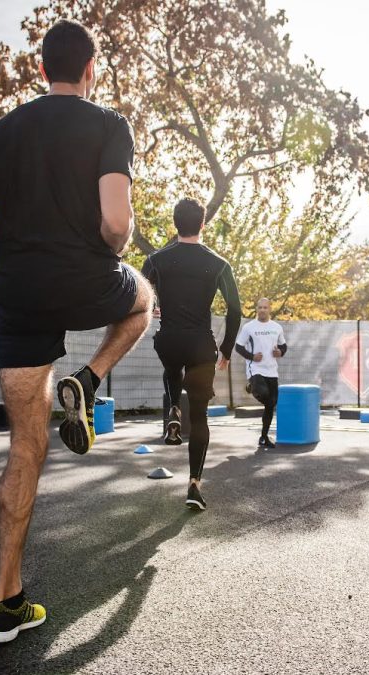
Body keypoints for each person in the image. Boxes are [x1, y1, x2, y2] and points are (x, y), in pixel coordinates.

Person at [0, 19, 152, 643]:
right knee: (143, 300)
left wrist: (10, 238)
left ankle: (7, 602)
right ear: (91, 70)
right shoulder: (109, 125)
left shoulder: (2, 132)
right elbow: (116, 224)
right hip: (87, 281)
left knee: (24, 450)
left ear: (41, 71)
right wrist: (113, 242)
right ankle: (89, 377)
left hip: (20, 297)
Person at [142, 198, 242, 510]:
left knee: (172, 366)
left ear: (175, 223)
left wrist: (153, 307)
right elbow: (236, 310)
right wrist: (226, 349)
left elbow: (139, 296)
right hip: (201, 345)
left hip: (169, 339)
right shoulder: (219, 263)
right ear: (202, 224)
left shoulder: (157, 259)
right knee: (199, 417)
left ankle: (173, 408)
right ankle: (194, 485)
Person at [234, 298, 287, 447]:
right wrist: (252, 357)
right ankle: (253, 386)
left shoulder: (276, 327)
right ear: (257, 309)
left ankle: (263, 437)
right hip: (255, 369)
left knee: (271, 404)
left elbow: (283, 346)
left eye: (265, 307)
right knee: (263, 394)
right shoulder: (249, 327)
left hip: (272, 371)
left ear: (270, 309)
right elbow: (238, 347)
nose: (262, 310)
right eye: (260, 307)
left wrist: (280, 352)